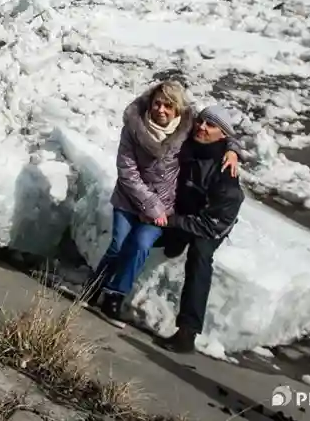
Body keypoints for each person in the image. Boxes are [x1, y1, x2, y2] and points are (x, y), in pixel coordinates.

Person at [80, 81, 240, 327]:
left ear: (178, 110)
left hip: (163, 207)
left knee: (141, 243)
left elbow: (219, 127)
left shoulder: (188, 128)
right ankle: (92, 288)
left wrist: (232, 149)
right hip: (130, 199)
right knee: (117, 244)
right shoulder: (134, 127)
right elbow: (127, 171)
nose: (161, 110)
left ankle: (114, 297)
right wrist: (150, 206)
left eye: (169, 105)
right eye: (158, 103)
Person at [155, 105, 245, 354]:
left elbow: (210, 224)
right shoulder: (190, 143)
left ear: (223, 135)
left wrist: (172, 221)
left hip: (211, 224)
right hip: (181, 210)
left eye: (210, 125)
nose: (202, 127)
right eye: (201, 121)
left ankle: (187, 333)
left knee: (200, 255)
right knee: (151, 236)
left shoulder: (226, 176)